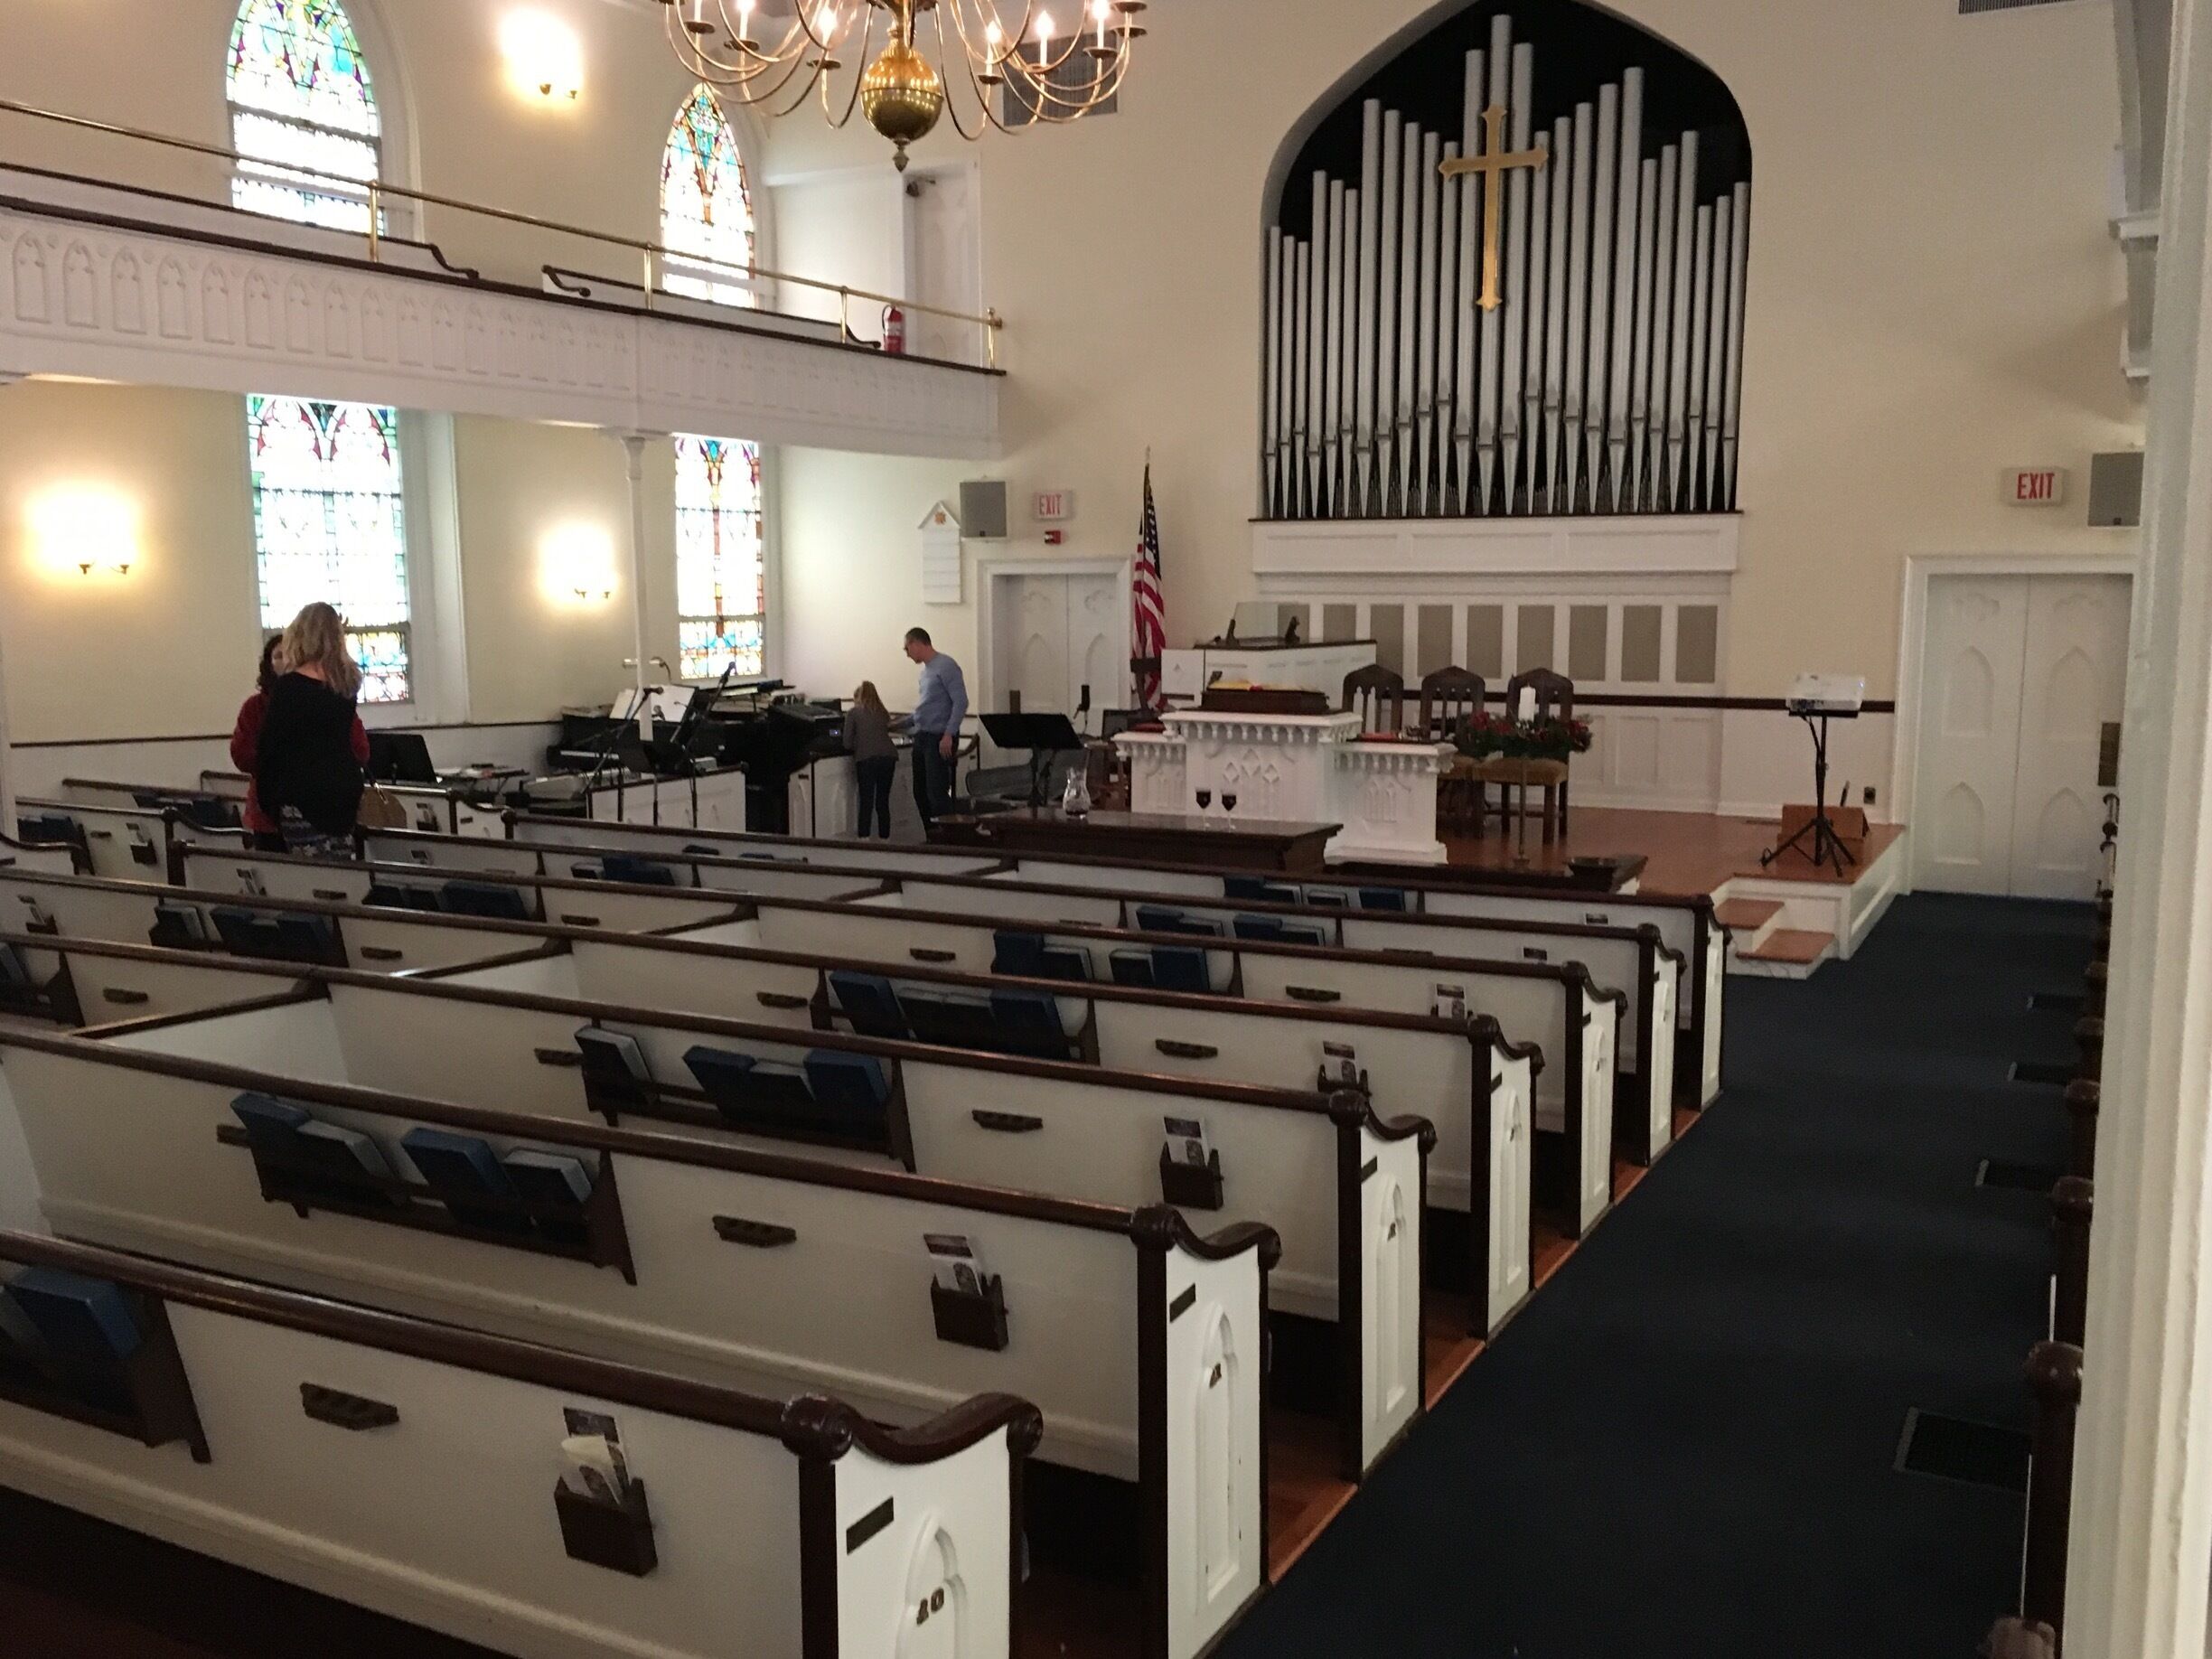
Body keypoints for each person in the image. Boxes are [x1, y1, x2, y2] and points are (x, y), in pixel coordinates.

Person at [230, 633, 369, 854]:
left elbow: (359, 748)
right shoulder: (255, 707)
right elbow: (242, 753)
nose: (284, 661)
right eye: (277, 656)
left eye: (290, 655)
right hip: (269, 810)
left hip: (321, 804)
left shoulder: (329, 697)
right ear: (268, 663)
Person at [903, 626, 966, 828]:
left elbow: (961, 702)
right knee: (920, 792)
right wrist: (893, 724)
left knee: (936, 792)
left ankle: (947, 838)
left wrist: (949, 734)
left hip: (939, 737)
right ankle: (932, 834)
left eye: (907, 648)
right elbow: (925, 710)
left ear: (917, 643)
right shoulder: (926, 673)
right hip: (922, 736)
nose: (907, 654)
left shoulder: (946, 666)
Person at [847, 680, 897, 839]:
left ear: (858, 697)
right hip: (889, 757)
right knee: (882, 802)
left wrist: (858, 743)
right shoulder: (883, 712)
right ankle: (885, 840)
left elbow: (846, 742)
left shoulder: (853, 713)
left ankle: (864, 840)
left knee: (866, 801)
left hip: (867, 759)